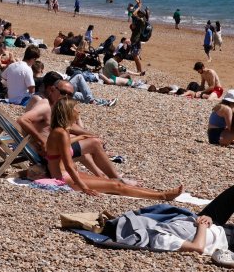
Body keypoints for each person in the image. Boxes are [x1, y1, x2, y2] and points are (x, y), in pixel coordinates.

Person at [44, 98, 182, 200]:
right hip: (64, 178)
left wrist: (80, 138)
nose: (78, 111)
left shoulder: (60, 132)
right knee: (116, 186)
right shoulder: (61, 133)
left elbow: (61, 146)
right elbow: (68, 165)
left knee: (114, 183)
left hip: (68, 175)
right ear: (68, 112)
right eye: (75, 108)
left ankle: (157, 192)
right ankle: (162, 196)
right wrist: (84, 187)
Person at [17, 77, 130, 181]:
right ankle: (117, 179)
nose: (66, 97)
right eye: (63, 92)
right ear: (52, 90)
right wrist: (41, 141)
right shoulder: (45, 106)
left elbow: (69, 126)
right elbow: (22, 120)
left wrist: (90, 134)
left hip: (55, 149)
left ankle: (102, 176)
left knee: (88, 141)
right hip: (47, 154)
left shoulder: (57, 107)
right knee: (94, 144)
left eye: (69, 95)